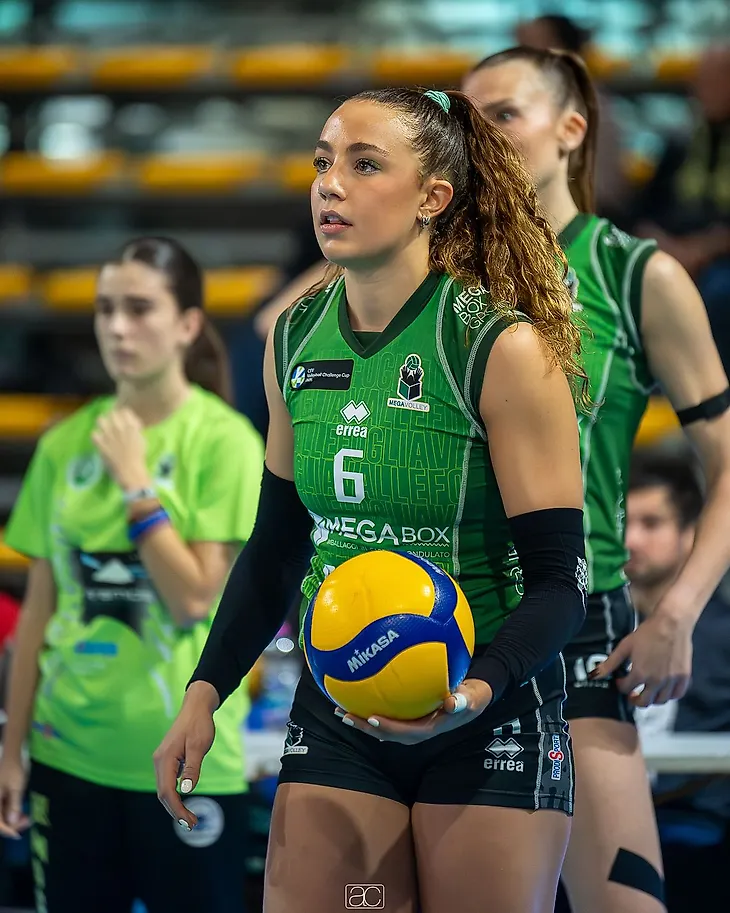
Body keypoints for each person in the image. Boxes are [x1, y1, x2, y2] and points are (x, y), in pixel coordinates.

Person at [154, 87, 589, 913]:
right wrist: (203, 691)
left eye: (363, 165)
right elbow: (276, 548)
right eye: (323, 162)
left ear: (433, 197)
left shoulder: (498, 345)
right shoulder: (292, 336)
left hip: (487, 711)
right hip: (341, 708)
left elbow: (560, 581)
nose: (330, 184)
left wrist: (472, 692)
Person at [462, 47, 730, 913]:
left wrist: (677, 613)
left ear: (571, 129)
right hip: (448, 617)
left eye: (504, 114)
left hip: (581, 625)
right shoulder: (432, 273)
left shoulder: (635, 273)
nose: (480, 136)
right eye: (467, 120)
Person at [0, 237, 264, 913]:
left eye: (140, 308)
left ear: (188, 324)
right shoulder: (64, 444)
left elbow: (193, 597)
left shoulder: (225, 442)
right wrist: (11, 750)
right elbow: (37, 616)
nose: (117, 327)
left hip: (188, 761)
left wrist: (137, 487)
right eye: (105, 308)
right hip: (66, 757)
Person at [626, 450, 730, 913]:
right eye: (625, 523)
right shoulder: (582, 631)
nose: (631, 540)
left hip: (696, 825)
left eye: (651, 524)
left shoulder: (725, 634)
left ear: (692, 535)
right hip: (591, 814)